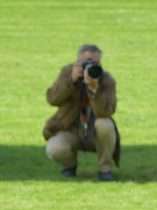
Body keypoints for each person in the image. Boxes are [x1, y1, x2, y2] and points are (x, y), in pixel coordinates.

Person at [44, 44, 120, 181]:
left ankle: (105, 169)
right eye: (85, 63)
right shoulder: (67, 73)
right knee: (54, 148)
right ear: (77, 61)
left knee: (105, 124)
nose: (89, 67)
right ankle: (69, 165)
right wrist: (71, 81)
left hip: (95, 133)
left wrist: (94, 90)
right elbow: (52, 99)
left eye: (95, 63)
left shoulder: (106, 79)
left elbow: (106, 112)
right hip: (70, 129)